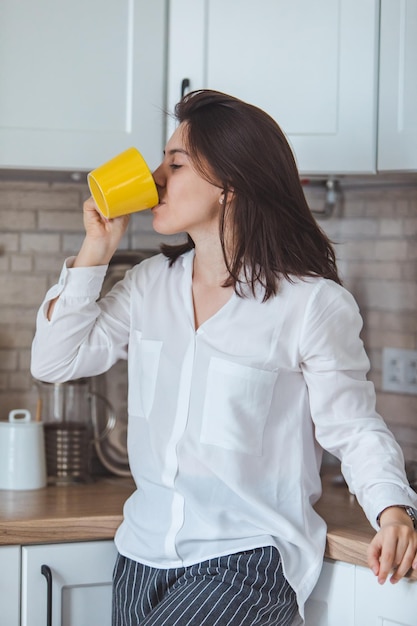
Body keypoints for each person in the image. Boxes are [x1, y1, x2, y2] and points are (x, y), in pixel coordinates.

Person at [31, 90, 417, 626]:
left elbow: (352, 428)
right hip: (139, 557)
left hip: (243, 563)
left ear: (231, 185)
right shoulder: (147, 286)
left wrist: (394, 510)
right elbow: (55, 361)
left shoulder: (311, 305)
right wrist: (95, 248)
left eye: (176, 163)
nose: (155, 176)